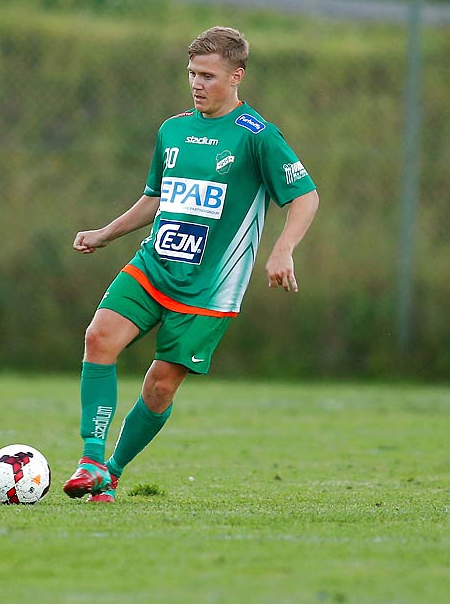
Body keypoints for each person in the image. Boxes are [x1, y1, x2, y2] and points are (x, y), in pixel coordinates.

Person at [64, 26, 319, 502]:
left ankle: (112, 472)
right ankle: (91, 459)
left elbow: (305, 196)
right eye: (191, 74)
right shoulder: (173, 129)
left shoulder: (257, 137)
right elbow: (155, 199)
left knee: (159, 386)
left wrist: (283, 250)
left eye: (208, 75)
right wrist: (105, 233)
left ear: (237, 76)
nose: (197, 84)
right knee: (98, 337)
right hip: (154, 265)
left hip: (210, 287)